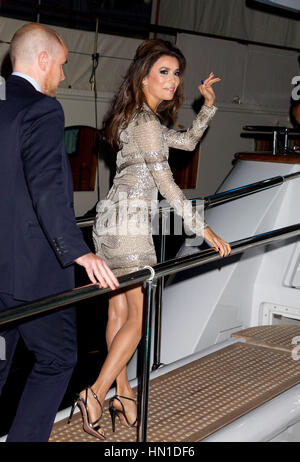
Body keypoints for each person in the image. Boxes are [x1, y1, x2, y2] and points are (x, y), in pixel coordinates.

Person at [70, 39, 231, 440]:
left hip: (106, 223)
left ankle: (123, 394)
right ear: (143, 77)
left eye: (177, 73)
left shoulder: (138, 120)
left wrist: (207, 105)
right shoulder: (145, 123)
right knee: (137, 323)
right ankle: (95, 393)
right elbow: (167, 185)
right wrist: (203, 228)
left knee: (118, 317)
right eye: (164, 71)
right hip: (128, 228)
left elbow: (188, 143)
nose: (173, 80)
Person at [0, 23, 119, 442]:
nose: (64, 77)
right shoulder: (43, 111)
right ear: (44, 60)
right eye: (63, 66)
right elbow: (48, 189)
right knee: (57, 359)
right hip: (33, 276)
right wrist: (77, 251)